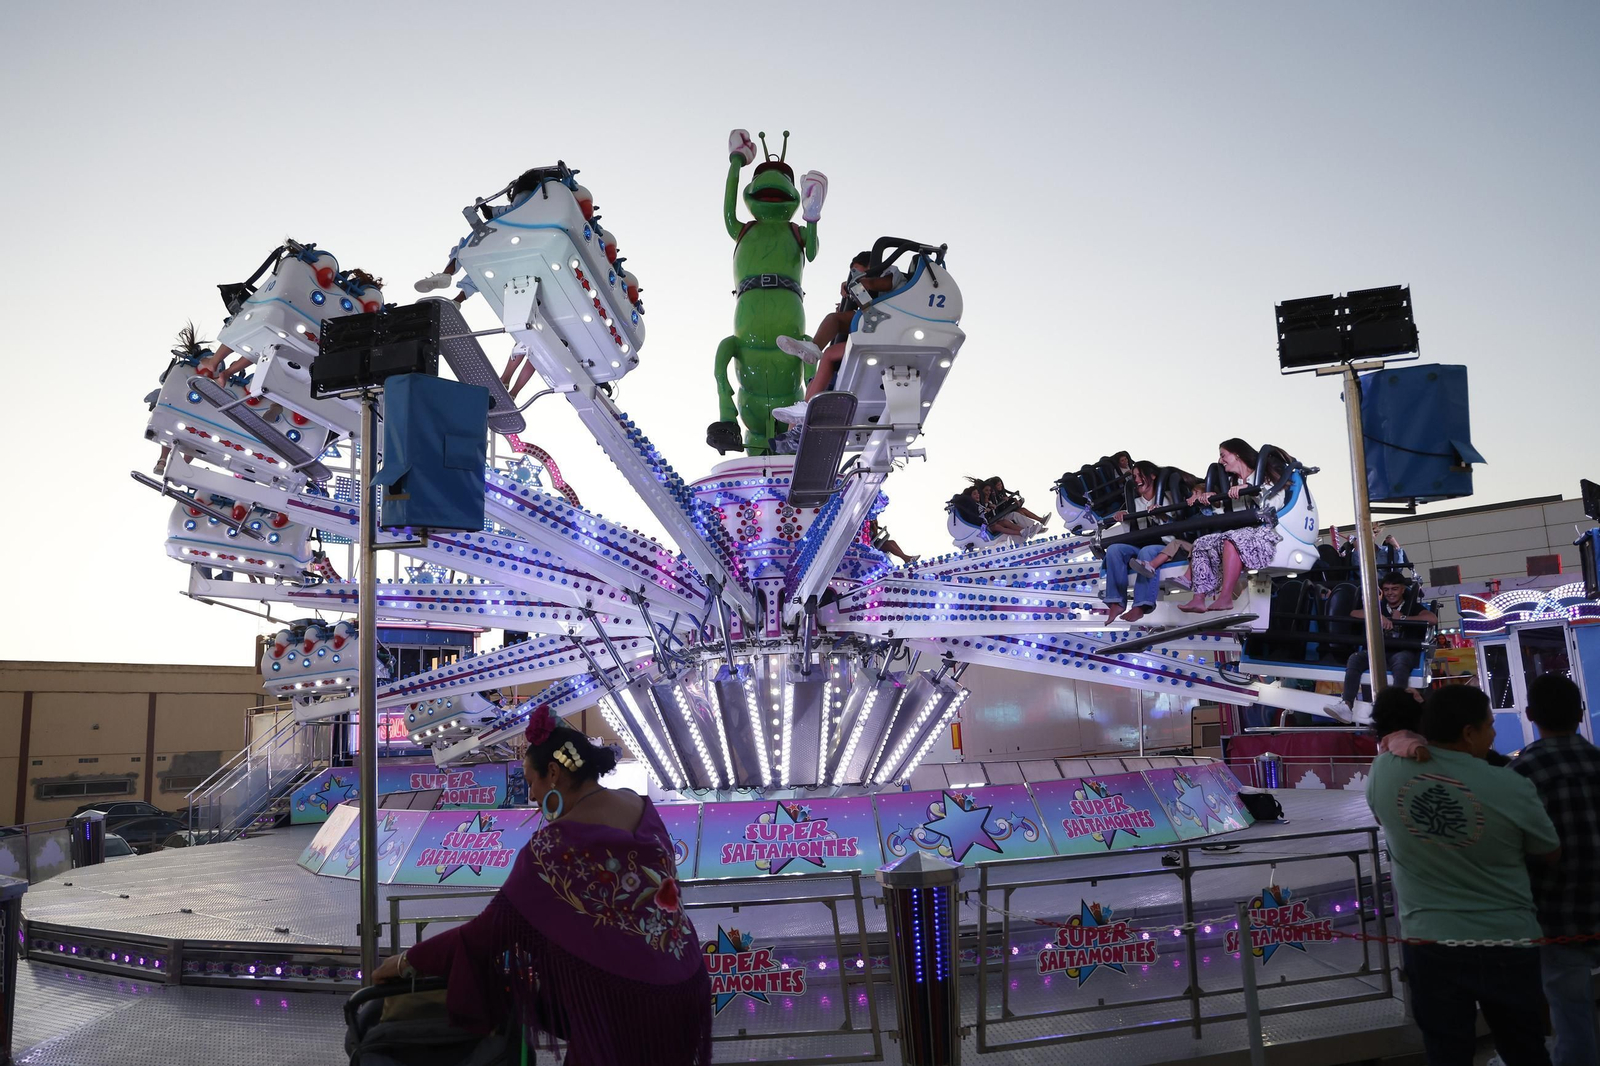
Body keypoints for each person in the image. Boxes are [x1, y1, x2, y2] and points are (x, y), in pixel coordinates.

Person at [374, 707, 712, 1064]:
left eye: (530, 780)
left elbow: (485, 935)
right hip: (685, 984)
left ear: (553, 773)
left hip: (622, 1003)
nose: (532, 794)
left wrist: (405, 962)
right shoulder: (641, 805)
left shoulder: (552, 846)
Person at [1366, 686, 1560, 1066]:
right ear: (1469, 732)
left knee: (1446, 1054)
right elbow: (1548, 850)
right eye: (1489, 726)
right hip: (1506, 939)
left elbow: (1383, 816)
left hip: (1429, 940)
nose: (1494, 735)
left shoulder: (1385, 771)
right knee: (1525, 1051)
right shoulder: (1510, 785)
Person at [1511, 675, 1600, 1066]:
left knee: (1571, 1014)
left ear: (1529, 715)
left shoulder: (1522, 773)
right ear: (1581, 714)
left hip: (1556, 915)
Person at [771, 251, 905, 424]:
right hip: (875, 331)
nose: (856, 276)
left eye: (858, 271)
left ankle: (807, 407)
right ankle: (813, 350)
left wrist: (858, 283)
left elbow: (879, 283)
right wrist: (849, 297)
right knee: (832, 331)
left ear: (871, 267)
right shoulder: (873, 298)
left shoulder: (891, 274)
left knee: (832, 351)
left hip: (893, 328)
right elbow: (865, 303)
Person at [1176, 439, 1291, 613]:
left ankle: (1226, 597)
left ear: (1237, 454)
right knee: (1201, 543)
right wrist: (1214, 502)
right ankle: (1198, 599)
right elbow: (1225, 515)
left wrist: (1251, 489)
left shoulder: (1265, 476)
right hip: (1238, 533)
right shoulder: (1232, 483)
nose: (1221, 460)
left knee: (1231, 538)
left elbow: (1275, 504)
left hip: (1263, 534)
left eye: (1223, 455)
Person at [1323, 571, 1437, 723]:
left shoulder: (1413, 607)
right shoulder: (1378, 607)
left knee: (1401, 662)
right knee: (1355, 659)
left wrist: (1403, 618)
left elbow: (1432, 618)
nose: (1390, 593)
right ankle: (1346, 705)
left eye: (1395, 589)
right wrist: (1378, 616)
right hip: (1381, 651)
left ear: (1403, 589)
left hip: (1402, 651)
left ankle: (1396, 707)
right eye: (1387, 589)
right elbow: (1354, 613)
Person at [1103, 461, 1171, 625]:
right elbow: (1132, 533)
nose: (1137, 479)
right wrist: (1125, 518)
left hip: (1164, 545)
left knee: (1146, 552)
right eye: (1134, 476)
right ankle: (1116, 602)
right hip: (1140, 543)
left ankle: (1141, 606)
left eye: (1141, 475)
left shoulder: (1166, 497)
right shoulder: (1136, 504)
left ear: (1153, 476)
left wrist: (1161, 515)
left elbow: (1174, 529)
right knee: (1114, 550)